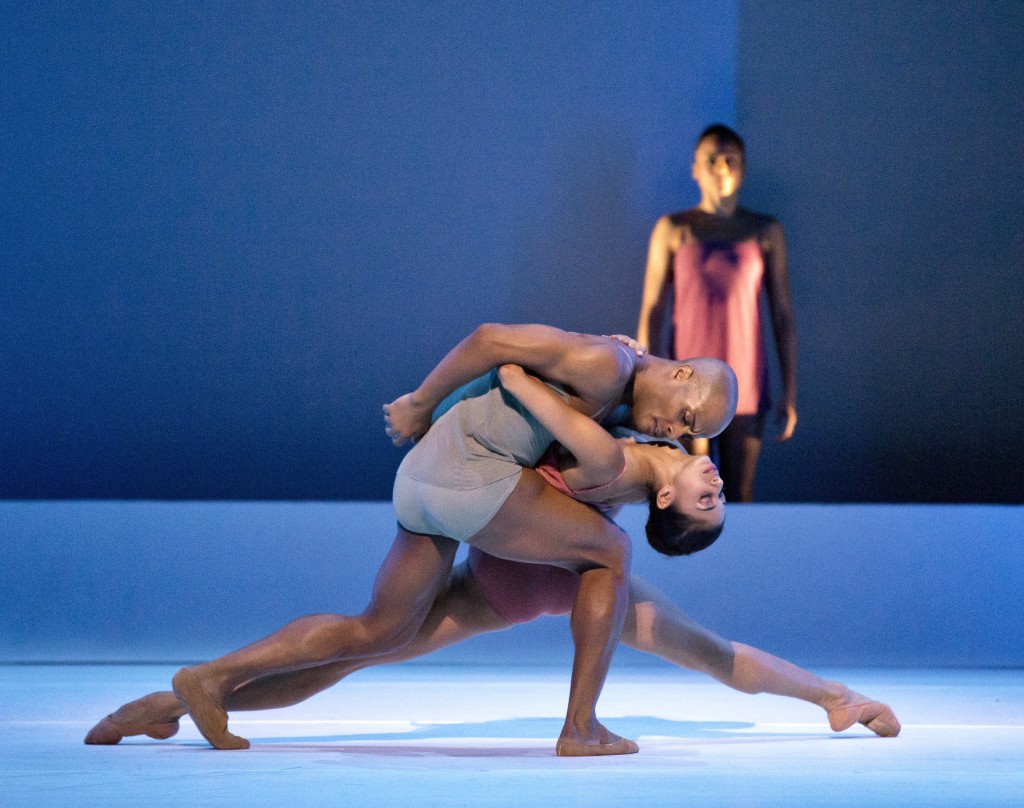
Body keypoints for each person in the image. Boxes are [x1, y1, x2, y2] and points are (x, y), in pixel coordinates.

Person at [86, 365, 897, 745]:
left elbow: (552, 402)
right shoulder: (631, 458)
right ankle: (580, 727)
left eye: (708, 498)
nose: (716, 476)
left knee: (366, 645)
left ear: (665, 503)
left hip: (514, 579)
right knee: (367, 642)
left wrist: (523, 371)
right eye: (717, 484)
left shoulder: (616, 469)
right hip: (510, 561)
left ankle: (175, 703)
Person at [166, 324, 738, 756]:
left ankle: (206, 682)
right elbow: (490, 338)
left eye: (689, 433)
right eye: (685, 415)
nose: (677, 432)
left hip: (422, 479)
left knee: (379, 632)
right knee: (611, 551)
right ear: (682, 373)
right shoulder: (606, 361)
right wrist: (419, 401)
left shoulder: (619, 377)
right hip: (469, 472)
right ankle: (581, 727)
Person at [637, 124, 798, 502]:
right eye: (712, 160)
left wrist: (789, 392)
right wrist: (644, 384)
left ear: (743, 168)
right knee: (688, 493)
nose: (722, 168)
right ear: (696, 168)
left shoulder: (765, 231)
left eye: (731, 160)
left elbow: (783, 316)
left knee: (739, 494)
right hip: (685, 381)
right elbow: (652, 308)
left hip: (745, 381)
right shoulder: (674, 229)